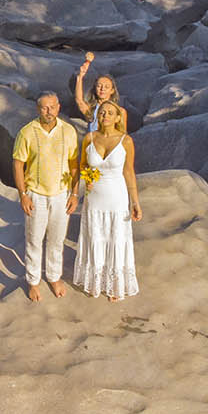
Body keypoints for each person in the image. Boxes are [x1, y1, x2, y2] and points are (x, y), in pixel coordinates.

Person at [12, 92, 80, 302]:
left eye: (52, 107)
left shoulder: (68, 131)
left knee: (57, 240)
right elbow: (17, 164)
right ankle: (33, 281)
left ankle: (53, 277)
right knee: (34, 239)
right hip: (35, 194)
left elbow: (74, 164)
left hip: (61, 194)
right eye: (44, 107)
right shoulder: (26, 132)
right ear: (37, 109)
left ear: (58, 107)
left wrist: (75, 193)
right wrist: (23, 194)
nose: (48, 111)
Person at [73, 99, 141, 302]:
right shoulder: (89, 138)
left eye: (110, 113)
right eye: (102, 112)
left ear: (118, 117)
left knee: (117, 239)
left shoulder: (126, 141)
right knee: (95, 236)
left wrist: (135, 202)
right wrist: (87, 178)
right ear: (97, 116)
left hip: (117, 197)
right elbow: (83, 165)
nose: (105, 116)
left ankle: (115, 286)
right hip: (94, 197)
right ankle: (95, 283)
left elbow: (129, 172)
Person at [74, 51, 127, 133]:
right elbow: (79, 100)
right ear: (95, 88)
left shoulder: (120, 111)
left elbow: (123, 134)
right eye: (99, 86)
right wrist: (80, 77)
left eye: (106, 87)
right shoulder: (91, 110)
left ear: (112, 91)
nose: (102, 89)